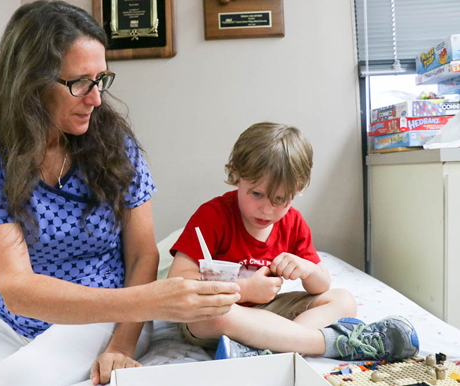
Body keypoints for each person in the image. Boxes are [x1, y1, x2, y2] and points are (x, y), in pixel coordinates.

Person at [0, 2, 240, 386]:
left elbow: (142, 253)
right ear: (30, 83)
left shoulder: (115, 144)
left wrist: (121, 345)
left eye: (101, 79)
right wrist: (155, 300)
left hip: (109, 318)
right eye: (79, 83)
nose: (96, 98)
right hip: (15, 320)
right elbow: (18, 290)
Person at [167, 122, 420, 361]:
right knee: (212, 317)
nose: (267, 210)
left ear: (297, 191)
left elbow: (321, 284)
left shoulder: (293, 222)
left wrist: (307, 269)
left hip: (270, 314)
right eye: (256, 194)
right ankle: (326, 343)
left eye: (281, 200)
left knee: (343, 300)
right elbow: (177, 283)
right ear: (236, 173)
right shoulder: (213, 216)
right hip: (221, 314)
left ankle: (266, 349)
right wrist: (244, 290)